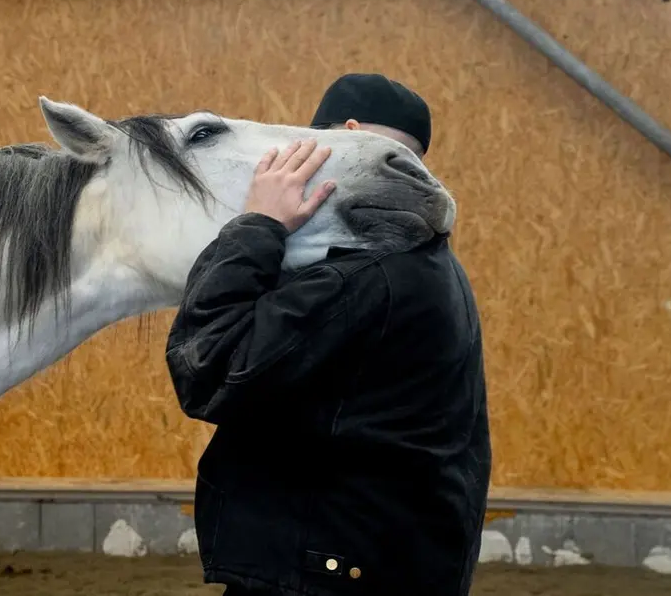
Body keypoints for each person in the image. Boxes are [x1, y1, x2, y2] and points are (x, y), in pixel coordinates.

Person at [165, 73, 491, 596]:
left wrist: (259, 224)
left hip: (324, 573)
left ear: (348, 137)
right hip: (381, 563)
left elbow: (209, 368)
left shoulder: (362, 275)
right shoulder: (429, 263)